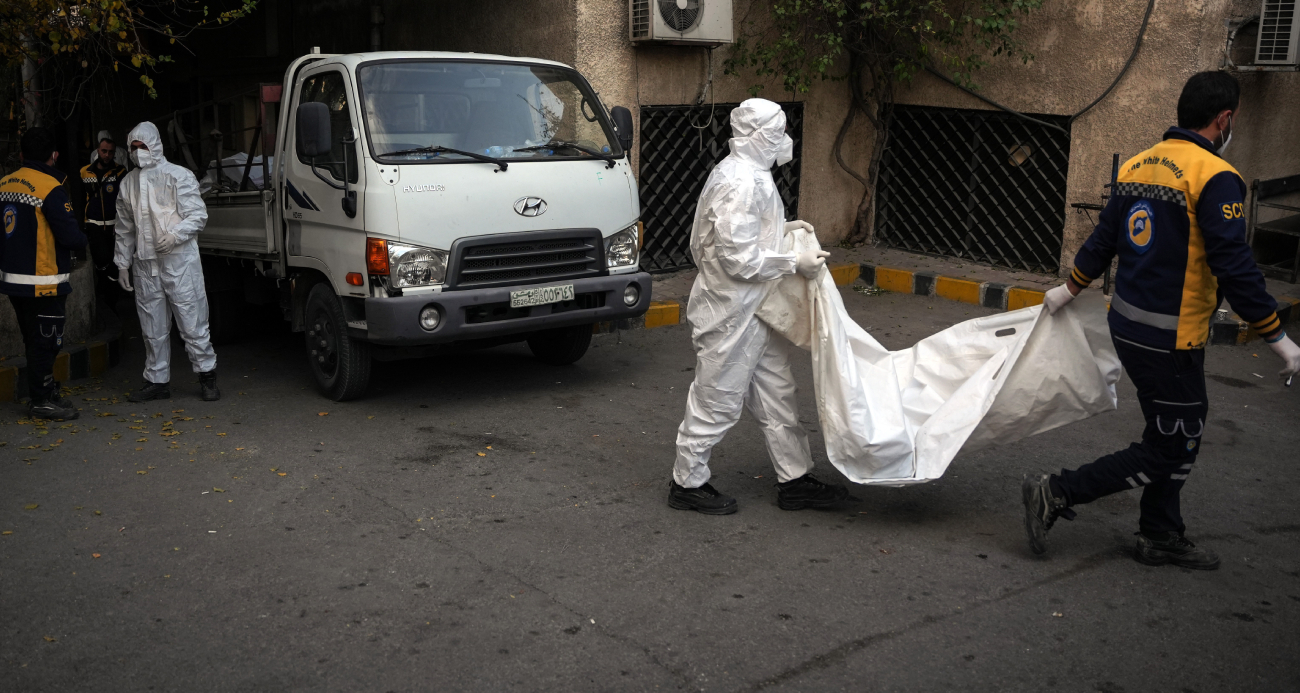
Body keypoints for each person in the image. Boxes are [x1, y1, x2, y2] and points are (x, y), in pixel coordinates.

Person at [1024, 72, 1300, 570]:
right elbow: (1233, 265)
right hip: (1172, 338)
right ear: (1225, 118)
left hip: (1130, 326)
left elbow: (1104, 239)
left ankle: (1160, 533)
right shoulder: (1216, 177)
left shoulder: (1138, 164)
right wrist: (1278, 338)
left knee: (1175, 430)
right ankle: (1057, 491)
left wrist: (1069, 288)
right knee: (1173, 444)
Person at [667, 98, 846, 515]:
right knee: (717, 398)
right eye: (777, 132)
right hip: (730, 311)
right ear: (758, 135)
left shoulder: (751, 176)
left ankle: (795, 479)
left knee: (777, 394)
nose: (784, 140)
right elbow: (736, 258)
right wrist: (792, 261)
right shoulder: (740, 181)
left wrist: (783, 230)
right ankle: (686, 482)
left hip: (756, 308)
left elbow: (740, 236)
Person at [114, 121, 221, 402]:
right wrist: (122, 263)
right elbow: (124, 228)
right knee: (152, 328)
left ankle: (207, 376)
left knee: (193, 322)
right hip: (146, 265)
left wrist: (175, 236)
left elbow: (197, 215)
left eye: (143, 146)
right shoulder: (128, 184)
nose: (138, 153)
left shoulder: (178, 176)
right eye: (133, 148)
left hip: (179, 261)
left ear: (155, 145)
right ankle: (156, 381)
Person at [0, 127, 89, 419]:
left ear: (22, 154)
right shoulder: (50, 187)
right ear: (54, 155)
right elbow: (70, 236)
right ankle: (40, 400)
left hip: (13, 283)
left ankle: (45, 390)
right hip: (44, 283)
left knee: (33, 339)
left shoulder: (4, 184)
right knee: (46, 342)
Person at [80, 132, 129, 304]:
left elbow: (125, 200)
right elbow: (79, 200)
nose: (107, 155)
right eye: (103, 151)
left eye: (110, 152)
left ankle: (112, 298)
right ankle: (106, 292)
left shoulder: (120, 172)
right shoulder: (84, 172)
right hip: (93, 224)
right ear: (97, 151)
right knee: (101, 259)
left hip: (114, 225)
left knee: (114, 262)